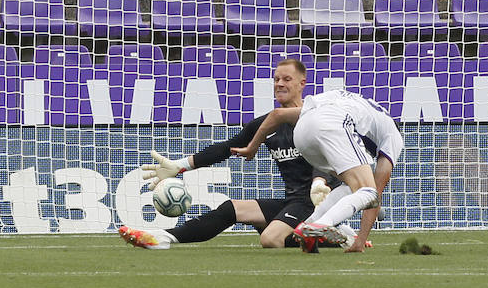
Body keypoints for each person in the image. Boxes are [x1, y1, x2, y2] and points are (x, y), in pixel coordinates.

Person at [117, 59, 346, 250]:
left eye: (286, 79)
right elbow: (226, 148)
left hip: (316, 202)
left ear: (302, 84)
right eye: (276, 79)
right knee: (231, 208)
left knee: (270, 239)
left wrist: (319, 181)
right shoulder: (266, 124)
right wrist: (179, 166)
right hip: (293, 202)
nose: (279, 84)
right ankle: (163, 237)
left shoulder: (315, 118)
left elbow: (327, 155)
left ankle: (328, 235)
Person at [232, 85, 403, 252]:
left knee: (351, 187)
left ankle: (306, 226)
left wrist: (252, 147)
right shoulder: (392, 136)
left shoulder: (349, 102)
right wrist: (361, 240)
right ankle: (320, 225)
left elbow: (277, 114)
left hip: (301, 133)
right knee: (369, 193)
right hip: (334, 125)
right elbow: (375, 192)